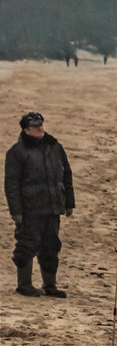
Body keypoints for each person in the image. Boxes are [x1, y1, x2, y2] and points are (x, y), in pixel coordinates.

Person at [5, 112, 73, 297]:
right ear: (26, 130)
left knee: (51, 246)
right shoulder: (16, 153)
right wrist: (16, 212)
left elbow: (66, 175)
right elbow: (11, 185)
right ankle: (24, 285)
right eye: (36, 126)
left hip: (53, 207)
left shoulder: (55, 147)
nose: (41, 128)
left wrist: (69, 203)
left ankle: (50, 286)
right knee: (26, 245)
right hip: (30, 209)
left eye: (41, 124)